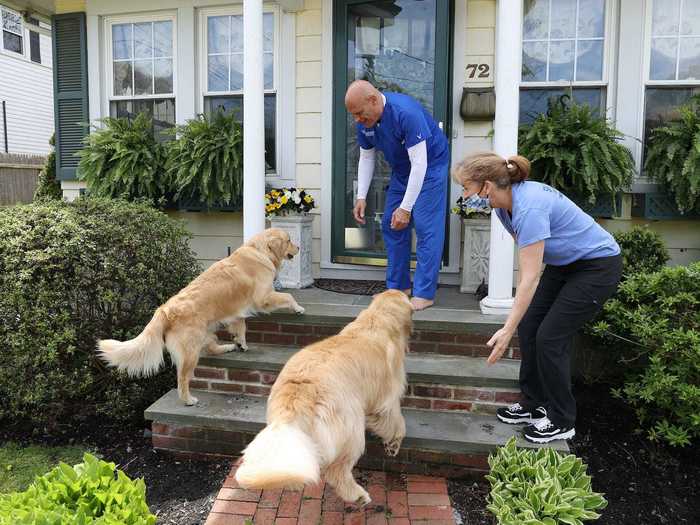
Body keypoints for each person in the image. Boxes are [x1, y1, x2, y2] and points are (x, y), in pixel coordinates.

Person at [451, 152, 622, 443]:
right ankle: (534, 403)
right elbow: (532, 258)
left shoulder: (528, 208)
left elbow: (529, 278)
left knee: (550, 337)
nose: (465, 196)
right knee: (530, 326)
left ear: (487, 186)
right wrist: (516, 323)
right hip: (564, 264)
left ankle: (562, 418)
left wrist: (506, 330)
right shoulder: (503, 209)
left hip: (596, 266)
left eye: (467, 189)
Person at [345, 80, 450, 311]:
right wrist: (361, 196)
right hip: (402, 171)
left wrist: (405, 208)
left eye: (360, 114)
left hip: (430, 168)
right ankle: (398, 288)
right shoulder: (365, 121)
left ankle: (424, 292)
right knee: (390, 224)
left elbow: (420, 163)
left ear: (373, 100)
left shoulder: (406, 112)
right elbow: (367, 157)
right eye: (353, 115)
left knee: (425, 227)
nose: (357, 120)